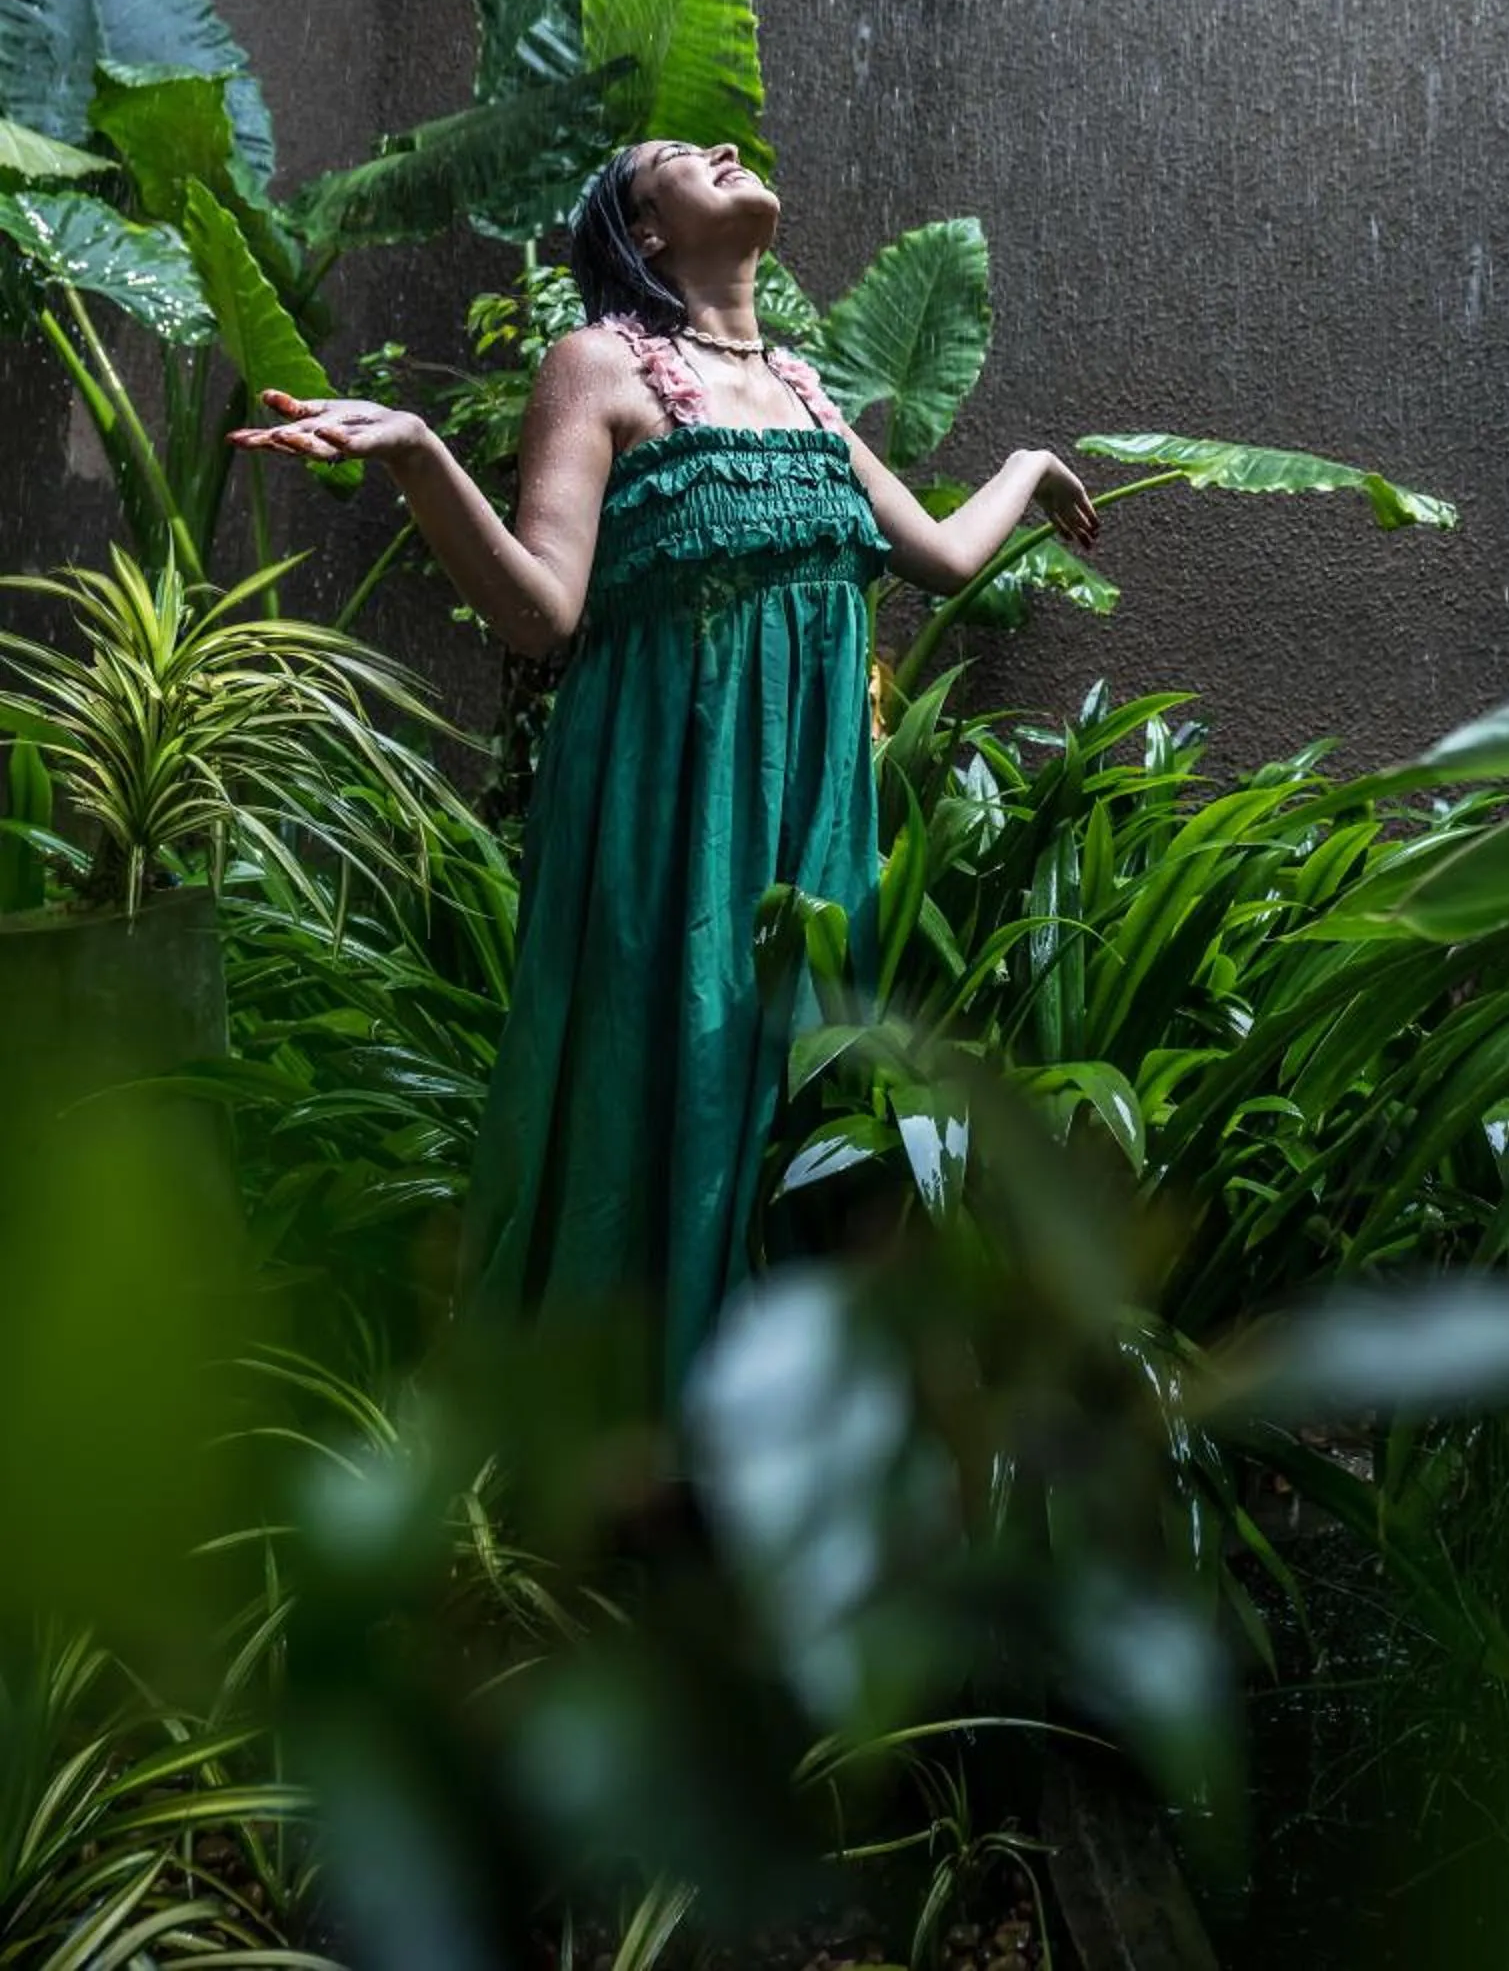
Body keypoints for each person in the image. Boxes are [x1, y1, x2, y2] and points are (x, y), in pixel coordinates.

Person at [234, 137, 1099, 1400]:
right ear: (648, 235)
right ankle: (632, 1464)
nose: (729, 151)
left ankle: (793, 1442)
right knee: (670, 1087)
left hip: (808, 830)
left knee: (791, 1099)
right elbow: (541, 613)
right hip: (665, 814)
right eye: (686, 160)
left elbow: (945, 559)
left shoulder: (805, 392)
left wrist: (1027, 468)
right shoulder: (600, 365)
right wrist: (419, 451)